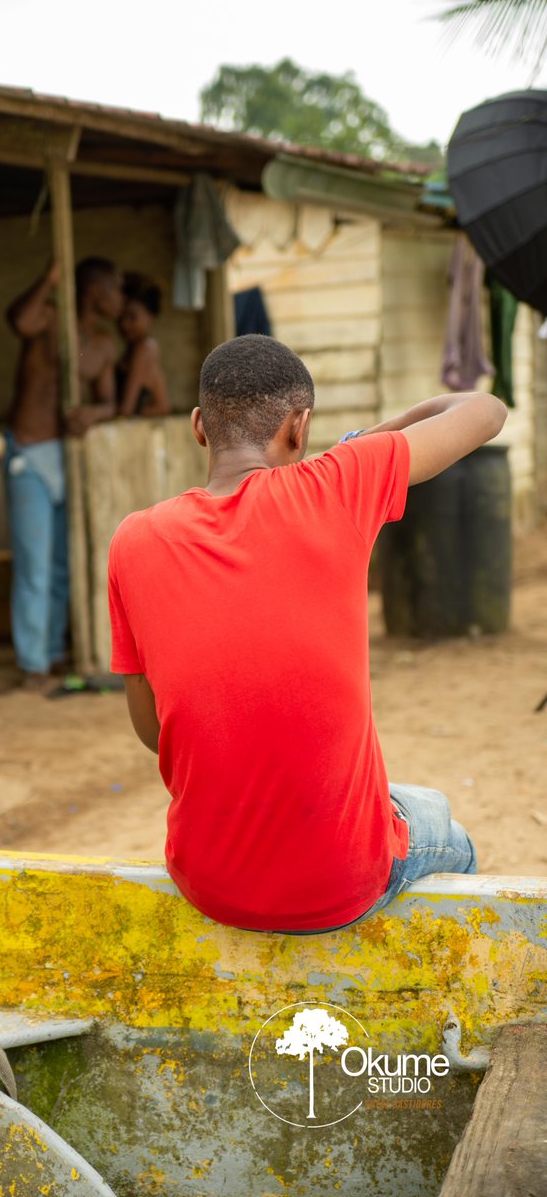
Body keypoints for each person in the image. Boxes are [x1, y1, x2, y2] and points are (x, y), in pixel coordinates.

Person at [107, 334, 507, 933]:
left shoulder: (134, 539)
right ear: (299, 428)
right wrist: (372, 441)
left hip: (209, 882)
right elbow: (484, 411)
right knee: (447, 829)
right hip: (340, 882)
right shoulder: (338, 484)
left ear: (198, 427)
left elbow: (152, 731)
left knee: (394, 797)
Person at [4, 257, 123, 690]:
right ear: (95, 290)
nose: (120, 299)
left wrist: (94, 413)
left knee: (58, 564)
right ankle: (32, 663)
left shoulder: (105, 344)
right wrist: (49, 278)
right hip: (29, 451)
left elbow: (112, 402)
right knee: (34, 564)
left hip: (65, 457)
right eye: (116, 289)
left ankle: (53, 652)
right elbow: (18, 320)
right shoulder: (49, 320)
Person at [116, 273, 171, 417]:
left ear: (150, 317)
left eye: (132, 317)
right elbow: (163, 405)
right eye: (121, 317)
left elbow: (125, 410)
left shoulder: (144, 348)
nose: (124, 324)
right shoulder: (140, 348)